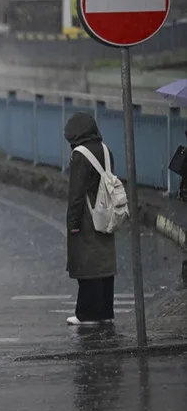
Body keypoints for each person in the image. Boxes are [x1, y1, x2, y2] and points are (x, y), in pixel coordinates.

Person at [64, 112, 117, 325]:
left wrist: (73, 224)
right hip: (106, 211)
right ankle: (105, 311)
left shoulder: (80, 155)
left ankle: (86, 313)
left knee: (86, 262)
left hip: (88, 214)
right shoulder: (106, 150)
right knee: (104, 262)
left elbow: (76, 193)